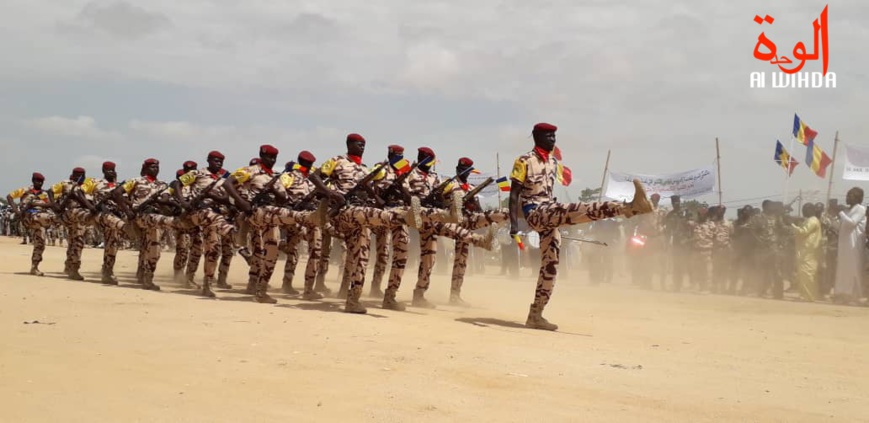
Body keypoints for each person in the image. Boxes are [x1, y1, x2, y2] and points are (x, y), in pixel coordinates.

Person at [508, 122, 652, 331]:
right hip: (536, 212)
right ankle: (627, 208)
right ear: (537, 137)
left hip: (549, 214)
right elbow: (513, 194)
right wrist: (514, 225)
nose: (552, 140)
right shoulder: (524, 161)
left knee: (550, 268)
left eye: (554, 136)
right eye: (548, 136)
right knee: (575, 209)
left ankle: (536, 315)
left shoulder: (553, 162)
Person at [833, 187, 865, 304]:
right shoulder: (846, 210)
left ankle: (853, 295)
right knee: (843, 269)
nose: (847, 197)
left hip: (854, 244)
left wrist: (841, 212)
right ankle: (841, 293)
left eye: (850, 195)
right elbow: (839, 227)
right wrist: (833, 216)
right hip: (844, 244)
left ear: (857, 198)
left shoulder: (860, 209)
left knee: (853, 269)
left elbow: (852, 222)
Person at [790, 203, 822, 302]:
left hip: (809, 252)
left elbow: (803, 231)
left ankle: (810, 296)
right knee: (804, 274)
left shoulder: (812, 220)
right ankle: (805, 295)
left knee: (808, 275)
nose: (803, 211)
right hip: (805, 251)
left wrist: (792, 225)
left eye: (805, 209)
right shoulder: (809, 220)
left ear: (811, 210)